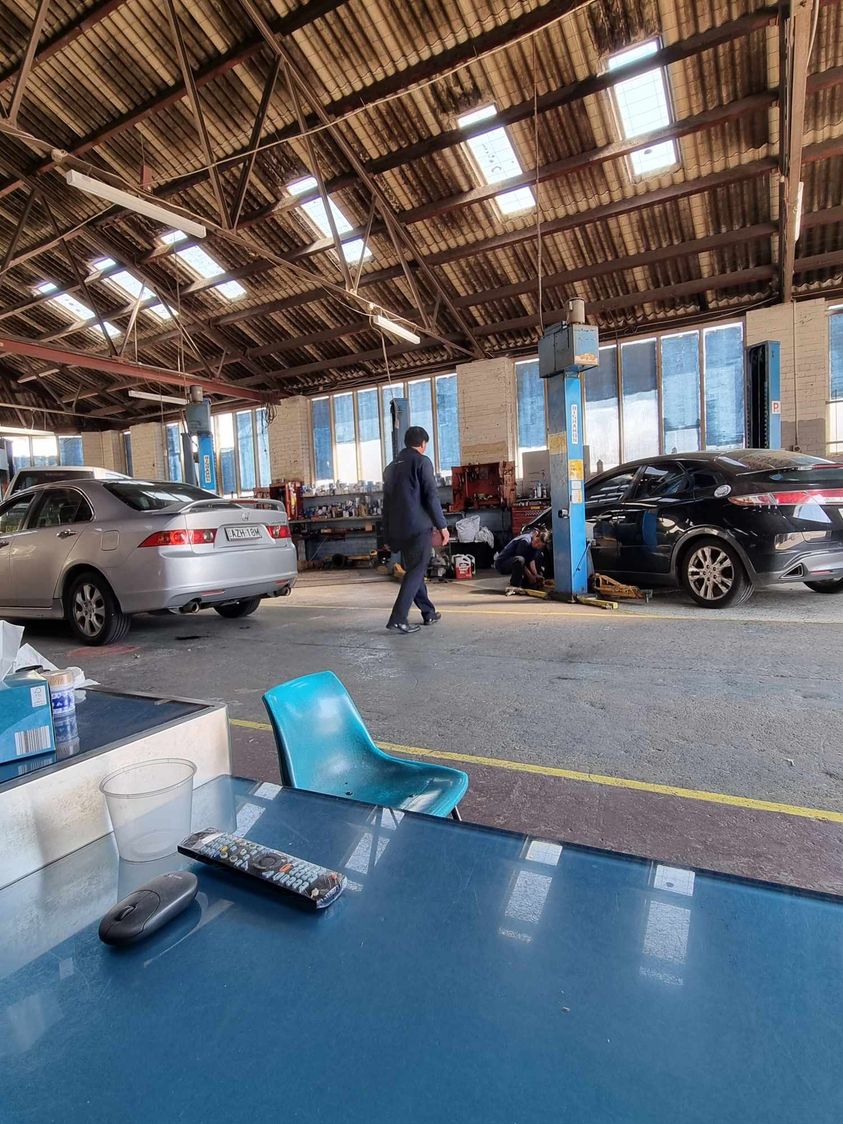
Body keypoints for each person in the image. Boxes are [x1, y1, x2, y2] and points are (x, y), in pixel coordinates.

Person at [382, 426, 450, 634]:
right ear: (423, 444)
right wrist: (442, 526)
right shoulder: (422, 462)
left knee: (415, 569)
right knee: (416, 570)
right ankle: (398, 618)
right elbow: (431, 496)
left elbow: (386, 504)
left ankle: (428, 612)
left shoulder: (391, 467)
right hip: (418, 527)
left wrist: (386, 535)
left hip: (398, 530)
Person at [495, 528, 548, 595]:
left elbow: (531, 560)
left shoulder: (534, 545)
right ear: (535, 535)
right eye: (537, 541)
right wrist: (530, 576)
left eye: (540, 545)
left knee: (539, 556)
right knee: (519, 559)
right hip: (502, 564)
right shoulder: (525, 541)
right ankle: (514, 586)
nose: (537, 545)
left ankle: (526, 583)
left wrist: (536, 574)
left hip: (515, 561)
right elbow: (521, 563)